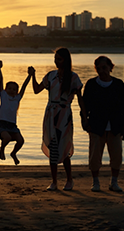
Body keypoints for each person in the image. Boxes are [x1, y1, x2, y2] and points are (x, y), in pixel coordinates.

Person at [31, 47, 86, 191]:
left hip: (64, 114)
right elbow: (37, 90)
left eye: (59, 59)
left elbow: (80, 99)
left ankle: (69, 180)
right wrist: (32, 76)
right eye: (55, 59)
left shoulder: (73, 78)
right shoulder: (50, 76)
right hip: (50, 113)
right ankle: (54, 181)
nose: (56, 62)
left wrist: (84, 116)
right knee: (53, 146)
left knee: (64, 146)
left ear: (66, 60)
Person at [82, 56, 124, 192]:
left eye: (104, 68)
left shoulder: (118, 84)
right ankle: (95, 182)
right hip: (96, 126)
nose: (101, 71)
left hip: (115, 126)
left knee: (116, 156)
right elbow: (84, 105)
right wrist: (85, 122)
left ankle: (114, 182)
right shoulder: (91, 84)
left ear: (110, 67)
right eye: (98, 68)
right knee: (94, 157)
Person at [0, 62, 32, 165]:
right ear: (5, 90)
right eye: (9, 88)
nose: (11, 91)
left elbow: (24, 86)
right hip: (2, 125)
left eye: (14, 89)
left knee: (20, 141)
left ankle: (13, 153)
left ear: (16, 91)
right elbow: (1, 80)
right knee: (7, 138)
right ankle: (2, 150)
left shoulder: (17, 99)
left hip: (12, 126)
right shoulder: (3, 96)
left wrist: (30, 75)